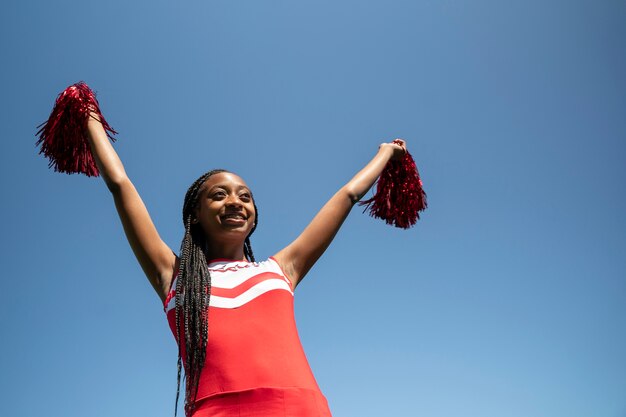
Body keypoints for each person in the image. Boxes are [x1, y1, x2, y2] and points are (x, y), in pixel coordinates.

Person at [85, 112, 408, 417]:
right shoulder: (173, 276)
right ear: (194, 214)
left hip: (298, 407)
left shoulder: (281, 269)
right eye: (219, 195)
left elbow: (349, 195)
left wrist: (385, 153)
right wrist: (88, 116)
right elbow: (120, 185)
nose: (235, 202)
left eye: (245, 196)